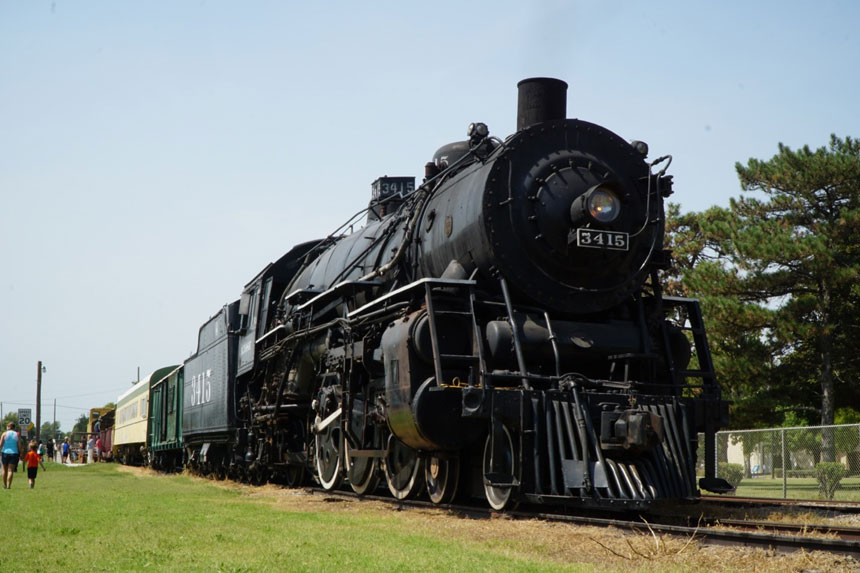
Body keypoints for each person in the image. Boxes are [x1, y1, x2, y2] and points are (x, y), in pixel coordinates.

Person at [1, 422, 24, 489]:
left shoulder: (4, 434)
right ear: (14, 427)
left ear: (8, 427)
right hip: (14, 453)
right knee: (10, 470)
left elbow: (0, 444)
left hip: (5, 453)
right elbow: (19, 446)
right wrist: (22, 453)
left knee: (5, 470)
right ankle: (9, 486)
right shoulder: (17, 434)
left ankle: (4, 485)